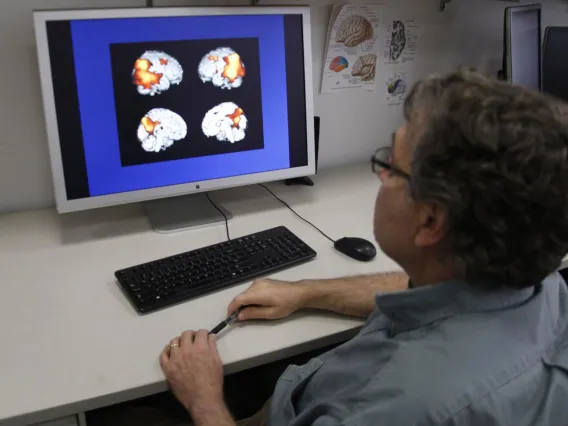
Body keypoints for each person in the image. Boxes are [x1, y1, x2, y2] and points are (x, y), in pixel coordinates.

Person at [158, 70, 568, 425]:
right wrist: (306, 293)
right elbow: (432, 293)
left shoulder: (396, 408)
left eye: (391, 165)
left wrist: (205, 399)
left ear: (430, 222)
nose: (380, 177)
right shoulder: (538, 284)